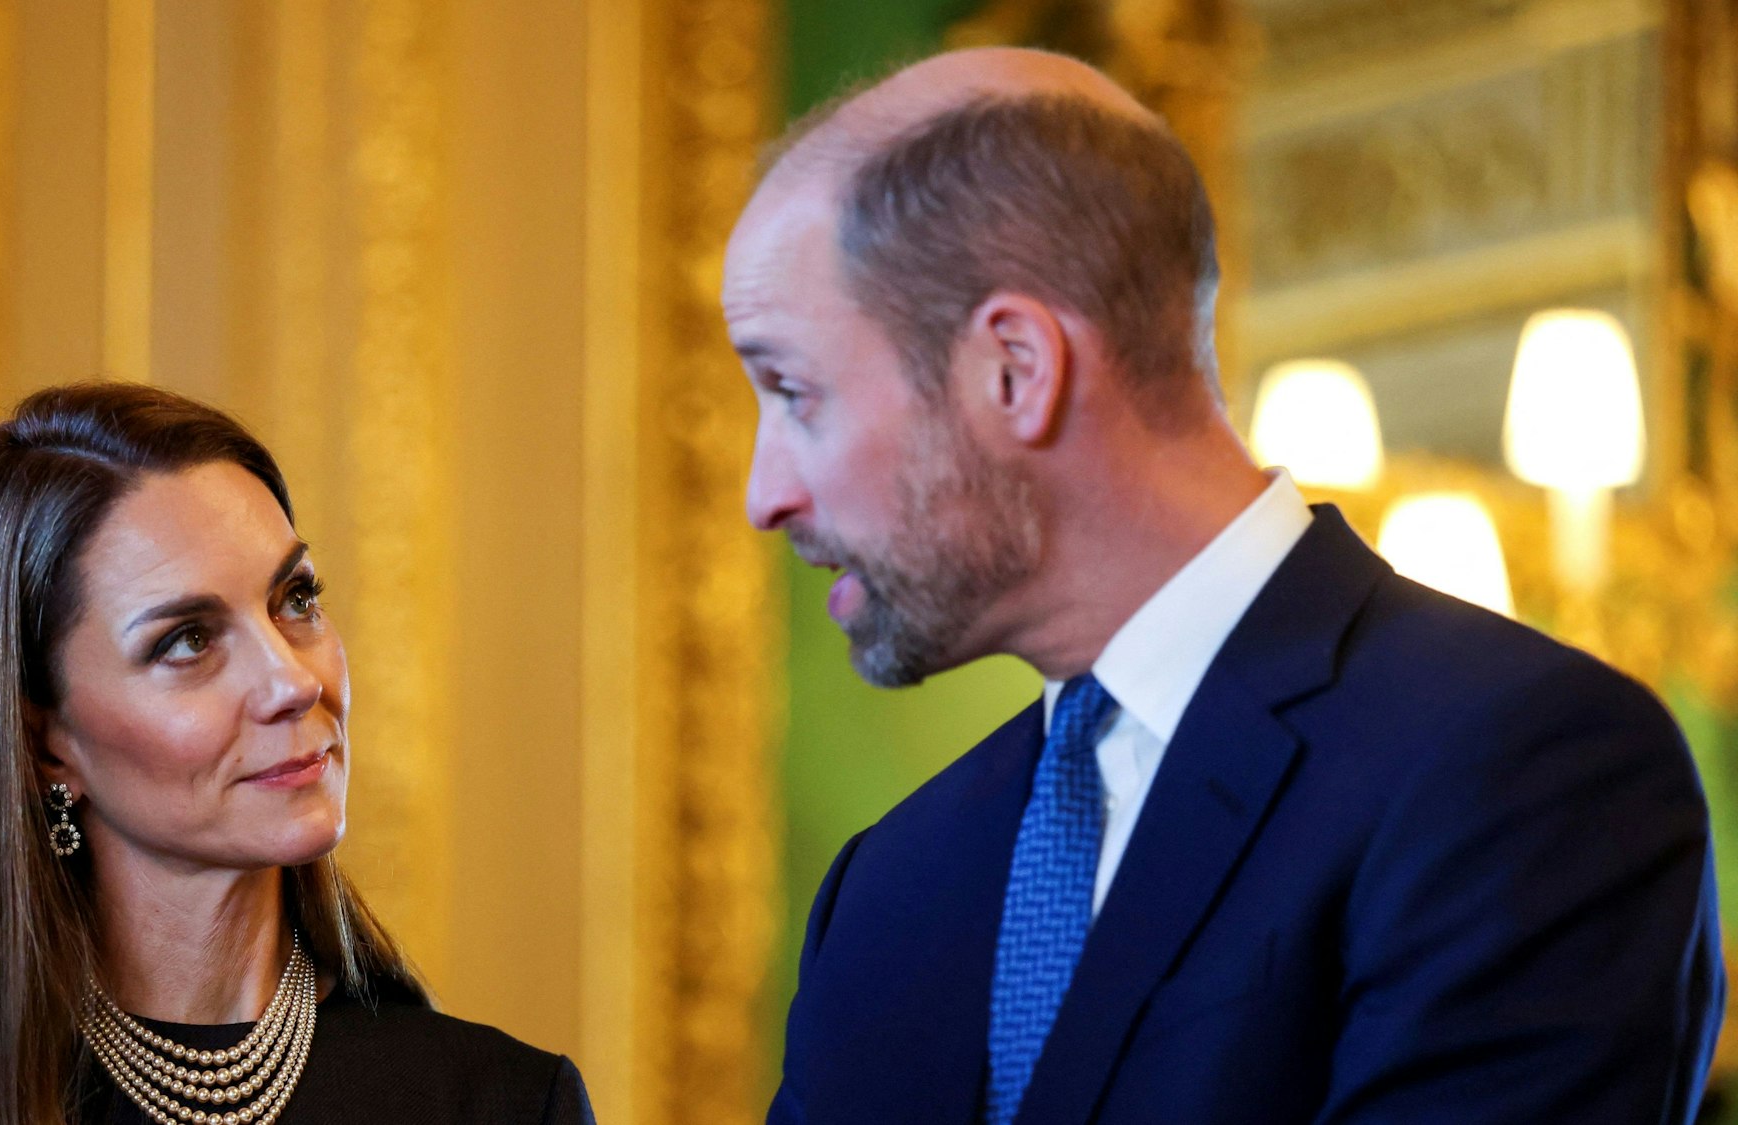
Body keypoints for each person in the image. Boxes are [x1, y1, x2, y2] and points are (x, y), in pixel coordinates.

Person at [727, 47, 1724, 1125]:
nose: (762, 493)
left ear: (1013, 369)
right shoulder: (890, 887)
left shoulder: (1524, 772)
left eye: (792, 391)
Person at [0, 383, 594, 1125]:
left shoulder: (503, 1101)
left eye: (295, 599)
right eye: (189, 639)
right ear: (43, 743)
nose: (291, 680)